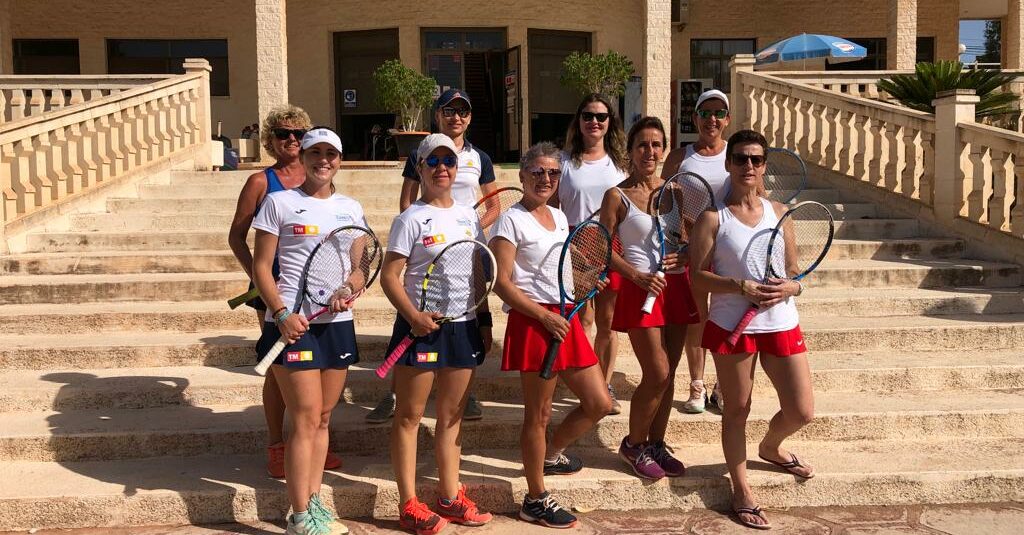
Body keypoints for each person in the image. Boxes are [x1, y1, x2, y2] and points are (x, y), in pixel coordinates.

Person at [689, 129, 815, 530]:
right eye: (741, 158)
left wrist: (792, 287)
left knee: (802, 410)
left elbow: (794, 271)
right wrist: (738, 286)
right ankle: (741, 489)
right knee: (737, 409)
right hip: (733, 324)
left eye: (756, 159)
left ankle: (771, 447)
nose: (748, 165)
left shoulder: (780, 211)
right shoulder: (713, 218)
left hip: (781, 321)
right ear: (728, 163)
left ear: (764, 166)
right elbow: (697, 277)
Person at [489, 142, 612, 529]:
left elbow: (561, 274)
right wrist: (543, 316)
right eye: (538, 172)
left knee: (599, 402)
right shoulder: (509, 221)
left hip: (564, 318)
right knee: (539, 415)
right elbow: (501, 283)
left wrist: (588, 281)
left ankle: (551, 453)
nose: (546, 179)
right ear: (522, 175)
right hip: (533, 322)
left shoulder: (558, 216)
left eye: (553, 173)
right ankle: (535, 498)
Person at [252, 127, 363, 535]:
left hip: (336, 325)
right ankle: (299, 516)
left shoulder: (351, 208)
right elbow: (261, 267)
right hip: (291, 326)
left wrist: (350, 288)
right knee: (304, 418)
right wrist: (281, 312)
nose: (323, 160)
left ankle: (314, 505)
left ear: (339, 160)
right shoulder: (279, 203)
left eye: (331, 153)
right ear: (303, 157)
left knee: (323, 418)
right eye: (315, 152)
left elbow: (359, 266)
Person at [382, 134, 494, 535]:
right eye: (433, 161)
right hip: (420, 328)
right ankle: (409, 504)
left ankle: (449, 496)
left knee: (452, 417)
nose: (441, 167)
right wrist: (413, 316)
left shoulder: (468, 216)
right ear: (421, 168)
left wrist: (484, 320)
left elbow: (478, 270)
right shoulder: (410, 218)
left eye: (448, 160)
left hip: (463, 326)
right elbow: (389, 276)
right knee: (409, 417)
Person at [367, 88, 497, 424]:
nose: (456, 117)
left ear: (470, 117)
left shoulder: (480, 157)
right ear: (437, 115)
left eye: (463, 111)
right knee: (412, 324)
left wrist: (463, 234)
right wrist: (424, 231)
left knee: (462, 332)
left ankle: (465, 395)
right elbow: (407, 200)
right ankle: (395, 395)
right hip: (427, 242)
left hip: (464, 243)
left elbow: (494, 205)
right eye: (449, 110)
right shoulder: (420, 153)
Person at [227, 106, 343, 479]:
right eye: (282, 133)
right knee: (280, 368)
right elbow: (236, 237)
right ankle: (278, 443)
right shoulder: (261, 182)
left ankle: (310, 438)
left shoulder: (320, 174)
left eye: (297, 133)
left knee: (316, 369)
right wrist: (260, 280)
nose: (290, 139)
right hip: (275, 293)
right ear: (270, 140)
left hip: (317, 293)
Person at [598, 116, 698, 481]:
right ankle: (633, 444)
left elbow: (686, 240)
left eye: (656, 145)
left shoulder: (675, 192)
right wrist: (635, 276)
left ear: (664, 150)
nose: (650, 152)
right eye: (642, 145)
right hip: (640, 289)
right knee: (657, 372)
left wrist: (685, 255)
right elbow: (602, 248)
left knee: (669, 375)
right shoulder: (616, 195)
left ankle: (656, 443)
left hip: (675, 288)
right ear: (631, 151)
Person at [554, 93, 628, 414]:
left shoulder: (621, 164)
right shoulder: (564, 162)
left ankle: (605, 384)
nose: (594, 122)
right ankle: (588, 384)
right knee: (582, 319)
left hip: (611, 244)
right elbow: (553, 210)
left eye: (601, 116)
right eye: (588, 116)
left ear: (610, 122)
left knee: (607, 322)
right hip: (574, 245)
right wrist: (564, 248)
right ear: (579, 120)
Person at [661, 89, 732, 414]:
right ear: (694, 118)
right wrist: (686, 235)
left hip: (729, 250)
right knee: (697, 319)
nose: (711, 119)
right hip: (691, 251)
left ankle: (723, 384)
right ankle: (697, 385)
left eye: (718, 113)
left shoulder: (736, 154)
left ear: (727, 119)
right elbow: (664, 203)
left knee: (725, 317)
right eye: (705, 113)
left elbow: (754, 197)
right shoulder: (679, 157)